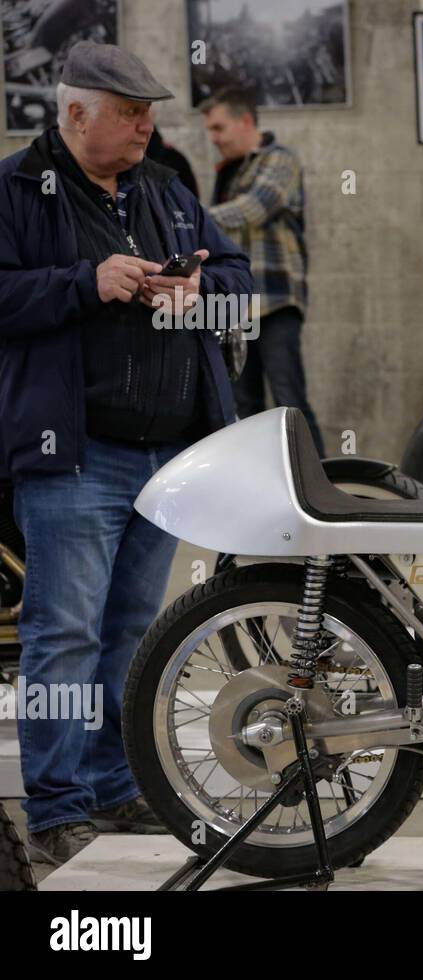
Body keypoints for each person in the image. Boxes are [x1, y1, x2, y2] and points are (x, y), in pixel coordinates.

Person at [0, 41, 253, 864]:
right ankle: (58, 807)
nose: (147, 126)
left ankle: (115, 785)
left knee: (133, 635)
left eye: (149, 113)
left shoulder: (166, 190)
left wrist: (200, 291)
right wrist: (85, 283)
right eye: (129, 113)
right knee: (64, 635)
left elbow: (246, 283)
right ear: (75, 114)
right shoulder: (16, 191)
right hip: (73, 457)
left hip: (165, 460)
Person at [200, 87, 323, 455]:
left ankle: (327, 492)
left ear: (246, 121)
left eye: (219, 128)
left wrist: (190, 220)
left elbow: (253, 209)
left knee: (289, 401)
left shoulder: (280, 160)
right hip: (236, 307)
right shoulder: (229, 172)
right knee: (243, 407)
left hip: (274, 301)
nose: (214, 138)